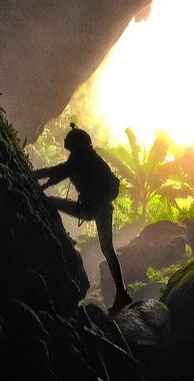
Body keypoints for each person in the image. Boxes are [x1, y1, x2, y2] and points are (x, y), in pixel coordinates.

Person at [32, 123, 133, 313]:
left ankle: (122, 292)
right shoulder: (88, 158)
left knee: (50, 203)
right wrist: (41, 182)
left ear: (75, 144)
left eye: (68, 140)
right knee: (107, 248)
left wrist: (31, 176)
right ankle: (122, 292)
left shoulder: (80, 159)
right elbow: (59, 174)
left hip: (93, 208)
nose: (65, 141)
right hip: (99, 208)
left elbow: (55, 172)